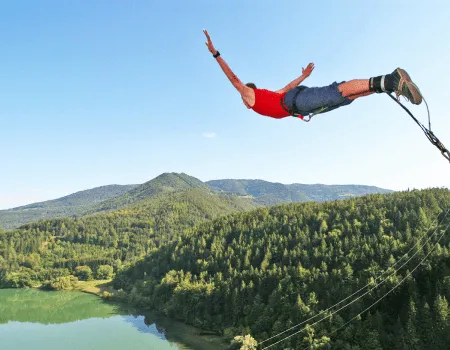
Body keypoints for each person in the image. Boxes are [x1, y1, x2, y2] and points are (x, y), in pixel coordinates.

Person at [203, 29, 423, 121]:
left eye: (243, 95)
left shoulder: (250, 95)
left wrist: (216, 54)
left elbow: (233, 78)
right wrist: (304, 76)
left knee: (337, 91)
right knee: (345, 98)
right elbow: (288, 86)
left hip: (296, 101)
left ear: (247, 92)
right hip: (296, 102)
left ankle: (393, 78)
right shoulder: (267, 95)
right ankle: (387, 85)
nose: (243, 100)